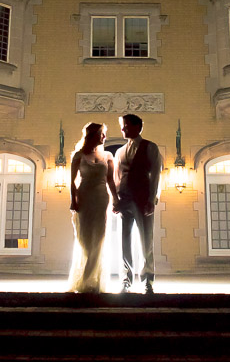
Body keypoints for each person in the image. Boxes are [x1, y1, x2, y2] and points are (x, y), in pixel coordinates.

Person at [66, 122, 119, 293]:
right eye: (101, 134)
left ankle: (92, 281)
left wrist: (116, 199)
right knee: (85, 239)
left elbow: (111, 181)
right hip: (84, 197)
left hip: (101, 198)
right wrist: (73, 200)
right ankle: (85, 276)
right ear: (92, 135)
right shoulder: (79, 156)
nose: (104, 137)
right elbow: (73, 181)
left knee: (100, 237)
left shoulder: (108, 156)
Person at [113, 113, 162, 294]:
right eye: (122, 126)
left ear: (137, 127)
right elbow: (117, 177)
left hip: (143, 200)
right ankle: (126, 279)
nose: (123, 129)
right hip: (124, 200)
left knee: (145, 240)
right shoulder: (119, 152)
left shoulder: (150, 147)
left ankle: (147, 279)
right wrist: (115, 200)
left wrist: (152, 199)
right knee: (124, 241)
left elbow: (156, 175)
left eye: (126, 125)